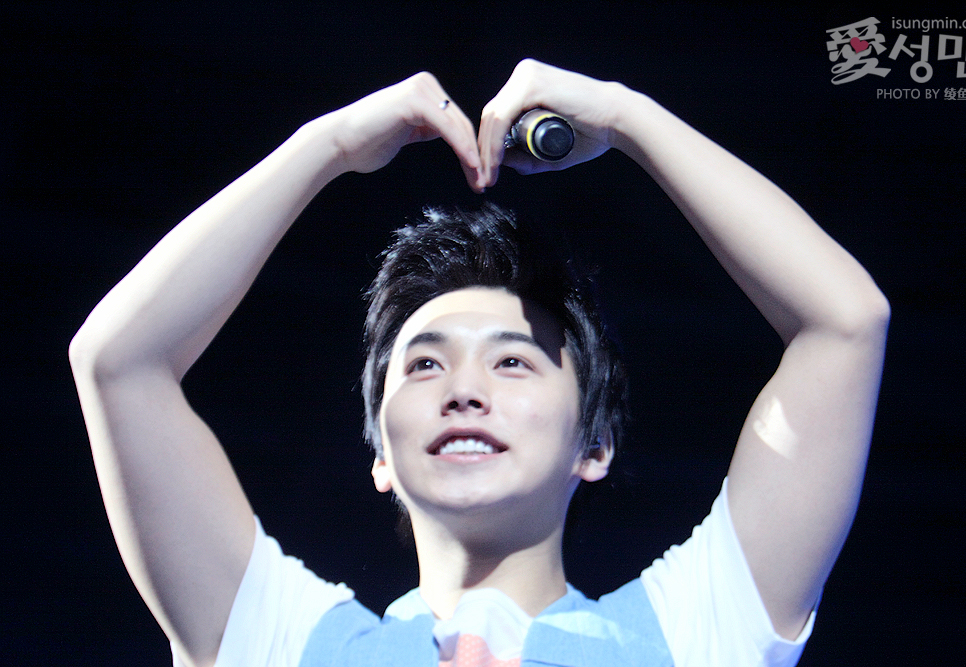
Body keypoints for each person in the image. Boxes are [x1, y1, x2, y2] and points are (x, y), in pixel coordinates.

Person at [69, 60, 890, 667]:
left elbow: (845, 324)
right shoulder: (290, 643)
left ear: (594, 443)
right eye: (424, 366)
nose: (463, 389)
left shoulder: (690, 637)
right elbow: (119, 361)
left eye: (513, 363)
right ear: (379, 454)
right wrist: (327, 145)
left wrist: (627, 117)